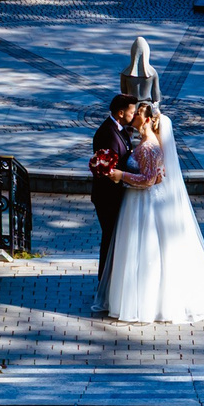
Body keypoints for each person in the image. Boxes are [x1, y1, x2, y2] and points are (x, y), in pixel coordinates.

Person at [104, 103, 204, 325]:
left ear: (146, 120)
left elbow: (148, 180)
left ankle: (147, 303)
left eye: (138, 114)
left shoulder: (149, 147)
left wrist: (121, 175)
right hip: (140, 201)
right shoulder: (146, 142)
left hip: (145, 203)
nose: (134, 117)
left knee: (146, 248)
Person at [88, 95, 136, 315]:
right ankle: (105, 286)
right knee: (109, 239)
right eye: (131, 112)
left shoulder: (120, 130)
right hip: (107, 197)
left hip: (116, 195)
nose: (133, 115)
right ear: (120, 112)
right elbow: (107, 169)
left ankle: (110, 285)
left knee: (114, 239)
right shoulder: (107, 133)